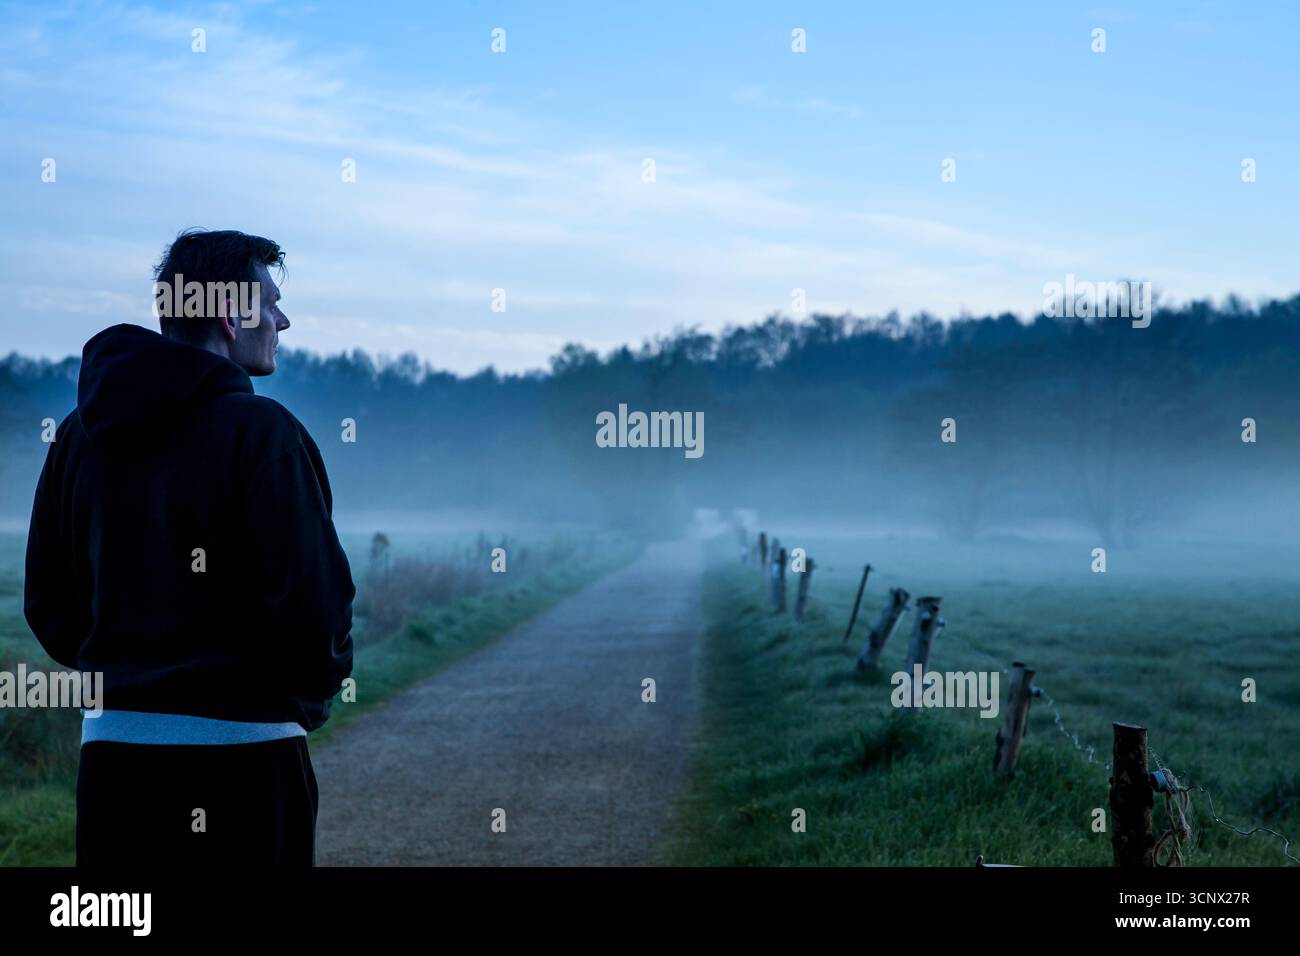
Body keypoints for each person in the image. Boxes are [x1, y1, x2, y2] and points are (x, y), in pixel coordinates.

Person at [23, 228, 355, 866]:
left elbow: (50, 604)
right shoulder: (265, 435)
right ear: (231, 316)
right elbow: (316, 608)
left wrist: (127, 682)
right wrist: (296, 702)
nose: (283, 320)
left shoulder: (77, 437)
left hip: (115, 766)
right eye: (271, 303)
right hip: (249, 765)